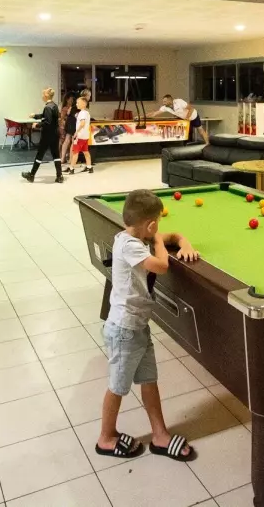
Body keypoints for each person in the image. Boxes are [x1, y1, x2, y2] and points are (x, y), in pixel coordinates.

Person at [96, 189, 199, 461]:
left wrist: (184, 243)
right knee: (117, 386)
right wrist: (160, 242)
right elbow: (161, 266)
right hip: (124, 330)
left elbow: (175, 236)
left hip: (137, 327)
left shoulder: (133, 236)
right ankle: (105, 437)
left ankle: (160, 435)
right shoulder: (130, 246)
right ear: (151, 225)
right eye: (157, 225)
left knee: (149, 380)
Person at [22, 88, 64, 183]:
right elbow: (46, 116)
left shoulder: (47, 107)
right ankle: (59, 176)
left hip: (47, 135)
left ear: (46, 95)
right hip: (55, 134)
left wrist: (37, 125)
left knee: (40, 154)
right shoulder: (54, 105)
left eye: (42, 94)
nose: (41, 96)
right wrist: (35, 116)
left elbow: (47, 122)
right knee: (56, 155)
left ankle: (31, 175)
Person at [68, 96, 94, 174]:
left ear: (83, 104)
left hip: (79, 136)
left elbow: (82, 123)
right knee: (86, 152)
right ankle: (89, 167)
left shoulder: (82, 113)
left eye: (78, 103)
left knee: (75, 153)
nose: (76, 104)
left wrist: (76, 132)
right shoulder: (87, 113)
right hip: (85, 136)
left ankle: (71, 168)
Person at [59, 92, 77, 167]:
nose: (72, 101)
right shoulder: (66, 108)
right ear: (67, 100)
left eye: (72, 99)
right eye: (70, 99)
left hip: (67, 126)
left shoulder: (72, 107)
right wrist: (62, 127)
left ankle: (64, 158)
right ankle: (64, 158)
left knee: (67, 142)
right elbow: (62, 119)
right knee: (65, 142)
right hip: (65, 126)